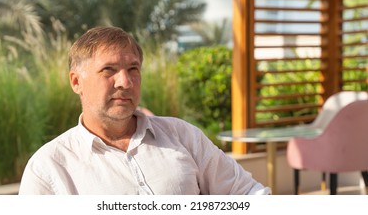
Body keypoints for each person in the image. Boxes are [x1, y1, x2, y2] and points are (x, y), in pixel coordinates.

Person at [18, 26, 271, 195]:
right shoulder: (48, 169)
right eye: (109, 70)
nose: (125, 82)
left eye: (133, 69)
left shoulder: (182, 135)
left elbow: (249, 194)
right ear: (76, 82)